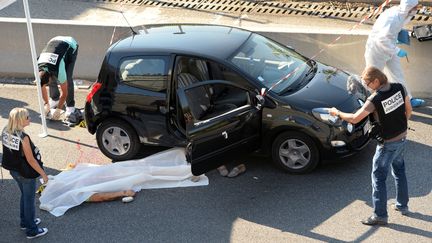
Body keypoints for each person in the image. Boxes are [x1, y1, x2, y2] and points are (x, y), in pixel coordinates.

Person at [329, 66, 412, 226]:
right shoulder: (399, 87)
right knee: (399, 171)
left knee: (378, 178)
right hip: (402, 138)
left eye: (368, 83)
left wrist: (337, 112)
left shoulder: (375, 99)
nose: (366, 86)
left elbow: (354, 118)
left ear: (376, 80)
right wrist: (401, 125)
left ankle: (380, 215)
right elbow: (408, 109)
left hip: (387, 144)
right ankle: (402, 205)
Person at [365, 0, 425, 107]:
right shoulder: (393, 17)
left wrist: (401, 35)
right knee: (371, 78)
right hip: (376, 51)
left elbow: (394, 29)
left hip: (390, 48)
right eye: (415, 7)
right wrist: (397, 50)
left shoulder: (401, 13)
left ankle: (407, 99)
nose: (417, 9)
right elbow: (381, 39)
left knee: (398, 75)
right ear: (409, 7)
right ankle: (363, 100)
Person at [1, 108, 49, 239]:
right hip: (25, 173)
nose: (30, 119)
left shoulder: (6, 130)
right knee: (29, 200)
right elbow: (31, 160)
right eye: (27, 117)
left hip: (13, 170)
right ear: (20, 120)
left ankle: (25, 222)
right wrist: (43, 174)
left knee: (24, 196)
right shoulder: (23, 138)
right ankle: (32, 230)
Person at [38, 36, 82, 124]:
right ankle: (54, 99)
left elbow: (64, 93)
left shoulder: (59, 71)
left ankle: (70, 106)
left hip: (70, 45)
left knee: (68, 78)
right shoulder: (38, 69)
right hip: (54, 42)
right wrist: (46, 103)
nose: (47, 85)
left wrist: (58, 109)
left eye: (47, 84)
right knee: (52, 77)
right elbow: (41, 86)